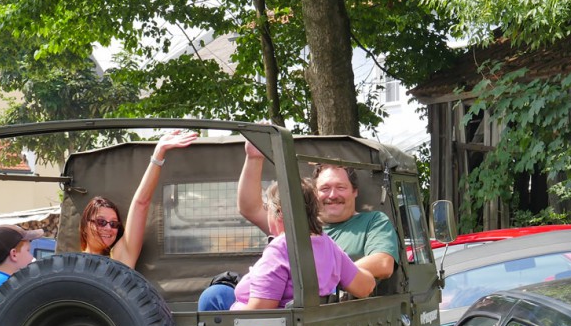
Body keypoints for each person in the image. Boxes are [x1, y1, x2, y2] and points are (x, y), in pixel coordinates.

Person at [198, 178, 375, 310]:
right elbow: (365, 287)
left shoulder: (280, 248)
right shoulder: (326, 243)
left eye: (267, 208)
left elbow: (260, 312)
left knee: (213, 299)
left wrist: (233, 309)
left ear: (280, 213)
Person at [237, 142, 400, 280]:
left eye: (341, 187)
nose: (333, 195)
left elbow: (383, 264)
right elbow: (251, 209)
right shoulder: (298, 224)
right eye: (325, 188)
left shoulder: (373, 222)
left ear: (354, 191)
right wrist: (254, 158)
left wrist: (321, 279)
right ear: (315, 193)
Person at [80, 129, 198, 268]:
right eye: (101, 222)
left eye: (114, 224)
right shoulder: (68, 264)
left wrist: (158, 154)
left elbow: (140, 203)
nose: (108, 228)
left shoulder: (118, 258)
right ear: (85, 225)